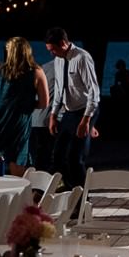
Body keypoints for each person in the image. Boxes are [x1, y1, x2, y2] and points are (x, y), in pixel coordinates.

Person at [0, 36, 50, 173]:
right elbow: (44, 103)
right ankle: (18, 191)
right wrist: (27, 104)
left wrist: (1, 99)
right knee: (16, 156)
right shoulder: (36, 71)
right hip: (19, 118)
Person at [43, 27, 100, 189]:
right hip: (68, 110)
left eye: (53, 49)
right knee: (58, 155)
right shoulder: (59, 60)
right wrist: (53, 114)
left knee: (75, 157)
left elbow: (93, 92)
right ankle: (68, 188)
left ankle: (82, 196)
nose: (51, 53)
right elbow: (60, 88)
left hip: (85, 109)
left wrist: (86, 120)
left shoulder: (82, 58)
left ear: (63, 43)